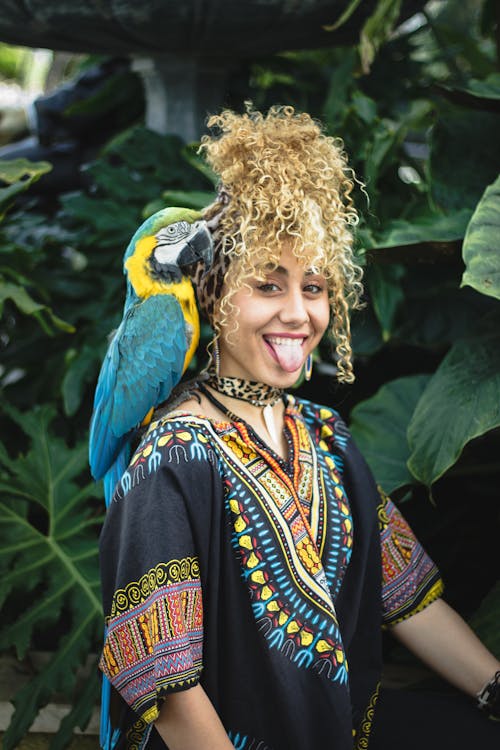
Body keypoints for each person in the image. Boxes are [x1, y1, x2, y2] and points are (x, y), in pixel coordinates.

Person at [97, 105, 500, 750]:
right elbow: (167, 690)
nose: (297, 312)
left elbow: (406, 599)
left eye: (313, 287)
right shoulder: (172, 459)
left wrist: (494, 688)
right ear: (213, 292)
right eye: (267, 284)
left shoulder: (324, 435)